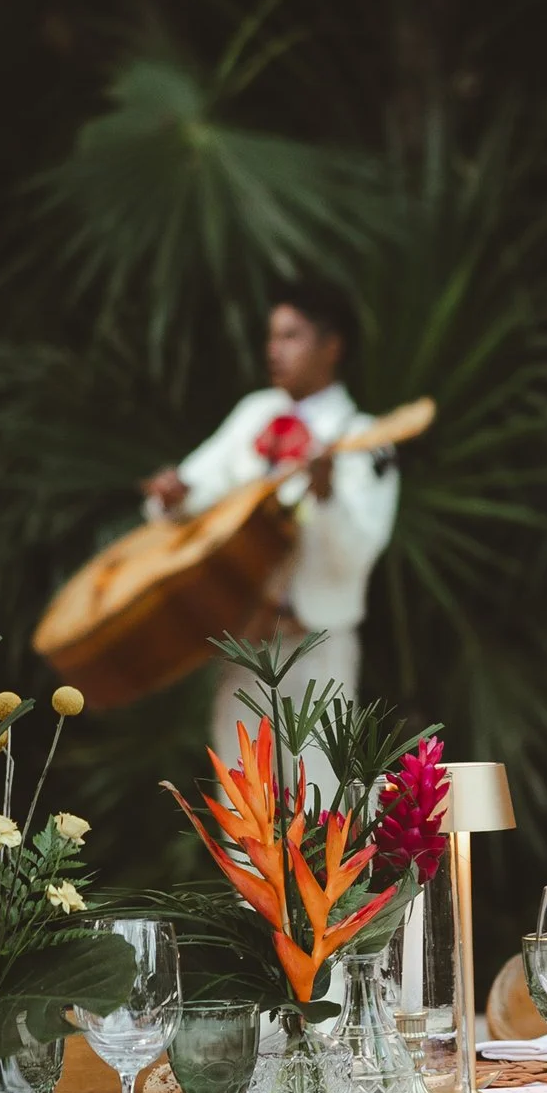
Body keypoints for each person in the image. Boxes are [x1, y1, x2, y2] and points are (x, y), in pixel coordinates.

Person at [143, 275, 401, 758]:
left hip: (315, 644)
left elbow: (359, 552)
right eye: (271, 336)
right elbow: (196, 495)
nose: (274, 349)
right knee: (242, 806)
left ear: (332, 346)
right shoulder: (254, 413)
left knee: (320, 800)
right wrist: (172, 496)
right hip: (245, 640)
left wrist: (325, 498)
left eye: (290, 336)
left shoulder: (366, 438)